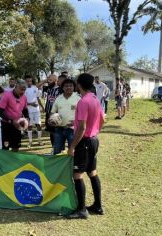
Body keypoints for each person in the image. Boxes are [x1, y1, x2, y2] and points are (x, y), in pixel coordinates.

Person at [67, 73, 105, 219]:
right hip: (93, 140)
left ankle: (82, 210)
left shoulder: (83, 101)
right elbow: (102, 119)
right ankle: (98, 206)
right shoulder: (95, 99)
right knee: (92, 172)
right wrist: (94, 130)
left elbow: (82, 128)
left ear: (79, 85)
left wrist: (72, 147)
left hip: (85, 142)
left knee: (77, 174)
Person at [0, 79, 29, 152]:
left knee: (16, 146)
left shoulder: (24, 97)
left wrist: (27, 118)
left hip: (17, 126)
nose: (22, 92)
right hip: (6, 125)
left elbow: (25, 109)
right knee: (6, 147)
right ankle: (6, 162)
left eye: (24, 90)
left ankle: (13, 162)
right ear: (16, 86)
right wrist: (11, 121)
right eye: (21, 89)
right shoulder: (7, 95)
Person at [51, 79, 80, 155]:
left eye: (71, 86)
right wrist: (51, 120)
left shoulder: (78, 98)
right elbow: (52, 112)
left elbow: (82, 114)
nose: (68, 87)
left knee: (73, 151)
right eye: (66, 86)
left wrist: (75, 122)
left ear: (74, 87)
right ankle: (57, 166)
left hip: (73, 130)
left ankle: (72, 166)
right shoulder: (58, 98)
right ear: (62, 87)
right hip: (59, 129)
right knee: (57, 150)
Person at [37, 74, 61, 147]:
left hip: (56, 114)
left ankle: (58, 146)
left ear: (55, 81)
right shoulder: (48, 88)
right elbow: (37, 86)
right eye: (48, 80)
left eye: (50, 80)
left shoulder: (60, 89)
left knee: (57, 131)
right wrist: (45, 81)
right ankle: (53, 146)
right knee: (51, 131)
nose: (48, 81)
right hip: (48, 113)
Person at [25, 75, 44, 148]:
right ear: (25, 81)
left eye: (30, 81)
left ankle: (39, 140)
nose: (29, 82)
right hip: (29, 111)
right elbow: (23, 102)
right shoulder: (23, 90)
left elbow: (38, 98)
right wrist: (31, 104)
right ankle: (30, 141)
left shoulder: (35, 88)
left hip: (37, 110)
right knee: (29, 126)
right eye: (27, 81)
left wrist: (42, 107)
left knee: (38, 125)